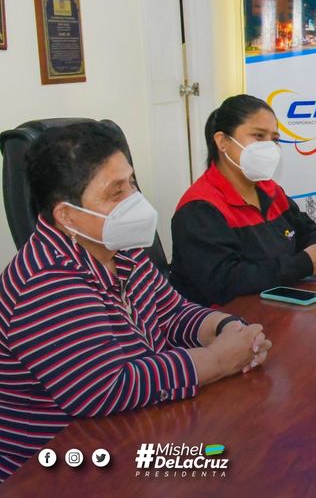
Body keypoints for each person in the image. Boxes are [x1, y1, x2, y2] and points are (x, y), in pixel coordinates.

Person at [0, 122, 271, 482]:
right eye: (116, 192)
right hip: (59, 468)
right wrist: (219, 359)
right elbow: (106, 388)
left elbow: (173, 314)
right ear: (66, 215)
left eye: (131, 183)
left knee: (248, 454)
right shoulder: (46, 281)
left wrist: (228, 329)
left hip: (138, 428)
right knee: (231, 470)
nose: (133, 199)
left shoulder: (120, 247)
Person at [169, 94, 316, 306]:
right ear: (222, 142)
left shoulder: (270, 190)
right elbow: (224, 281)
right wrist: (304, 264)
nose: (269, 147)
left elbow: (308, 231)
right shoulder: (199, 208)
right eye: (258, 136)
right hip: (224, 318)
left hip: (279, 309)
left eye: (274, 139)